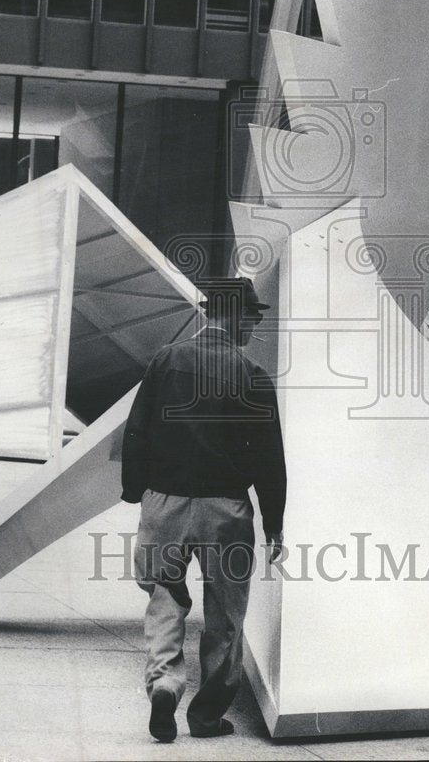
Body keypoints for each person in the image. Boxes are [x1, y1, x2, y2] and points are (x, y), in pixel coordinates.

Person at [121, 276, 287, 743]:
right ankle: (207, 716)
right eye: (253, 316)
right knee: (226, 613)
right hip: (226, 508)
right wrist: (274, 523)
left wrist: (139, 493)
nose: (255, 325)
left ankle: (166, 684)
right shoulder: (251, 374)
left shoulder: (166, 361)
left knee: (164, 596)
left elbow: (136, 432)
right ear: (234, 315)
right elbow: (268, 457)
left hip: (164, 502)